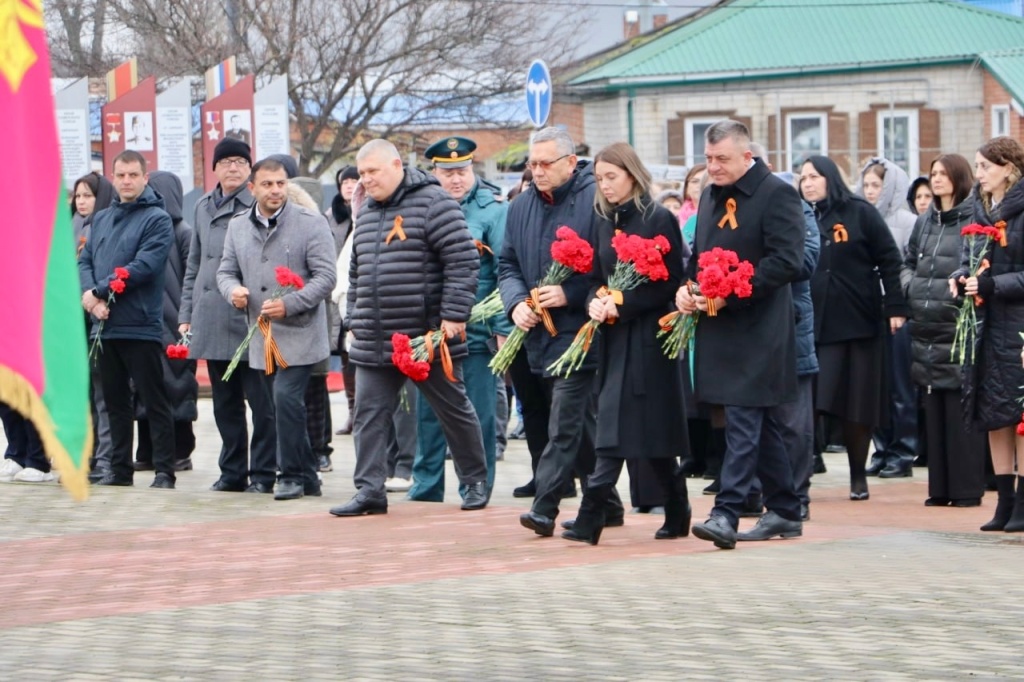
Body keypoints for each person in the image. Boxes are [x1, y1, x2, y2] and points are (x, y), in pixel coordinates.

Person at [329, 139, 489, 516]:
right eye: (362, 173)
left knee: (453, 409)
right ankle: (369, 490)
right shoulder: (366, 211)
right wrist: (353, 317)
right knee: (368, 415)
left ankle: (474, 481)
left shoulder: (435, 203)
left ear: (397, 165)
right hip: (373, 335)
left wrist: (453, 316)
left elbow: (463, 262)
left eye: (373, 172)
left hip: (425, 336)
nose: (366, 180)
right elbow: (356, 269)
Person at [676, 120, 805, 550]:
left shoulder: (778, 194)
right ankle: (785, 508)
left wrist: (733, 290)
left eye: (722, 159)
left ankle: (726, 512)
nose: (712, 167)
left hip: (761, 326)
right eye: (709, 159)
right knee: (758, 420)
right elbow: (700, 255)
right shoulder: (711, 194)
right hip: (719, 322)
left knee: (744, 418)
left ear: (746, 156)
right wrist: (692, 287)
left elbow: (788, 261)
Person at [560, 142, 689, 545]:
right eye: (599, 178)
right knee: (643, 428)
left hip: (649, 338)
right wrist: (597, 300)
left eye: (611, 177)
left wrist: (623, 304)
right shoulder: (602, 220)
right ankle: (677, 506)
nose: (605, 186)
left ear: (632, 175)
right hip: (614, 340)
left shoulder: (659, 219)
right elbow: (595, 276)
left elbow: (668, 281)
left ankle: (591, 515)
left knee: (622, 426)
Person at [499, 126, 624, 537]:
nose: (537, 171)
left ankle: (544, 507)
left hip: (581, 328)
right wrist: (517, 302)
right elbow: (508, 265)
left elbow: (613, 269)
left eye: (545, 164)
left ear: (571, 162)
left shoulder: (596, 202)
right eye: (532, 164)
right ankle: (605, 502)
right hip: (535, 330)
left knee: (564, 421)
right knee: (578, 424)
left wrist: (569, 293)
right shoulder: (519, 207)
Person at [217, 156, 337, 500]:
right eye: (267, 184)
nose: (275, 190)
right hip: (261, 334)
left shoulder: (310, 223)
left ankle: (291, 476)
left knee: (286, 398)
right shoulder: (238, 226)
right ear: (252, 188)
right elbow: (225, 271)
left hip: (299, 330)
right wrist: (233, 291)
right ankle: (311, 476)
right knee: (276, 405)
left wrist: (291, 303)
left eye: (281, 183)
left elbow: (326, 278)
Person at [408, 136, 510, 503]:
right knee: (430, 414)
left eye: (463, 171)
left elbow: (504, 273)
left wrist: (501, 330)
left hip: (476, 329)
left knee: (479, 414)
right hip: (429, 333)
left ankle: (475, 486)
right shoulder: (419, 206)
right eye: (447, 172)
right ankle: (426, 485)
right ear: (434, 172)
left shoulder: (494, 210)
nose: (456, 179)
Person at [801, 155, 908, 502]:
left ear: (831, 178)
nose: (808, 184)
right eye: (803, 178)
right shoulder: (798, 216)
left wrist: (894, 306)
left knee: (857, 405)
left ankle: (858, 475)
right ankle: (801, 473)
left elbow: (890, 259)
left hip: (858, 322)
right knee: (809, 404)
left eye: (814, 177)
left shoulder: (860, 212)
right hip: (813, 325)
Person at [180, 138, 278, 494]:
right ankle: (232, 472)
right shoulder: (203, 206)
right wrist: (186, 312)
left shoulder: (258, 204)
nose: (233, 167)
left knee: (262, 403)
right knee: (224, 405)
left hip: (250, 318)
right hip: (213, 316)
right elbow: (194, 264)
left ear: (250, 169)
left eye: (240, 161)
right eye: (226, 161)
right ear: (215, 167)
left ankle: (265, 473)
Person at [78, 150, 176, 489]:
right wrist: (91, 299)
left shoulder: (157, 219)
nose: (126, 181)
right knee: (115, 402)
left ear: (144, 178)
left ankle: (165, 470)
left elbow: (144, 266)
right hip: (104, 327)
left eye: (133, 175)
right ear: (113, 177)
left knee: (153, 400)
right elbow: (85, 261)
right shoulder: (102, 219)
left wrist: (101, 292)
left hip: (140, 325)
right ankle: (119, 469)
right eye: (120, 175)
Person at [903, 154, 986, 507]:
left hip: (957, 323)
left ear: (959, 177)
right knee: (933, 406)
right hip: (924, 324)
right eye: (932, 173)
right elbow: (907, 261)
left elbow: (978, 263)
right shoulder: (925, 222)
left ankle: (966, 489)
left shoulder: (974, 217)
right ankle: (939, 488)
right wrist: (910, 287)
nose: (935, 180)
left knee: (959, 407)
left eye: (942, 174)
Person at [950, 136, 1024, 531]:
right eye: (976, 167)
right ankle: (1004, 501)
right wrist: (960, 277)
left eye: (985, 167)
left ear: (1009, 168)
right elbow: (968, 259)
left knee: (1020, 415)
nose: (977, 175)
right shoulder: (978, 209)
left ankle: (1023, 503)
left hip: (1018, 325)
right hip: (984, 326)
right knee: (994, 414)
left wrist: (995, 285)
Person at [857, 158, 918, 479]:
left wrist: (899, 302)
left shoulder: (908, 221)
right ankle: (881, 449)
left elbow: (908, 264)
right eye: (866, 185)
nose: (870, 191)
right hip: (868, 311)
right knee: (875, 386)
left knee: (899, 385)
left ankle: (903, 450)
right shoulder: (861, 219)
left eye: (876, 185)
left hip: (897, 313)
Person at [134, 170, 198, 473]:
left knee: (178, 386)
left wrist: (186, 318)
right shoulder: (145, 229)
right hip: (149, 320)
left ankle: (180, 451)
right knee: (147, 388)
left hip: (177, 324)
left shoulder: (184, 232)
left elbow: (192, 277)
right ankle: (147, 451)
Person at [71, 172, 116, 482]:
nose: (82, 201)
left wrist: (93, 299)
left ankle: (105, 459)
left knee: (104, 395)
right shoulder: (70, 228)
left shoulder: (108, 226)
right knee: (81, 395)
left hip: (99, 318)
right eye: (78, 196)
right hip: (73, 324)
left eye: (88, 195)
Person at [328, 166, 360, 438]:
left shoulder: (369, 212)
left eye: (354, 180)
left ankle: (362, 413)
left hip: (360, 294)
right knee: (347, 358)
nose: (349, 185)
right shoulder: (330, 218)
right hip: (337, 293)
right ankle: (352, 411)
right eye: (345, 181)